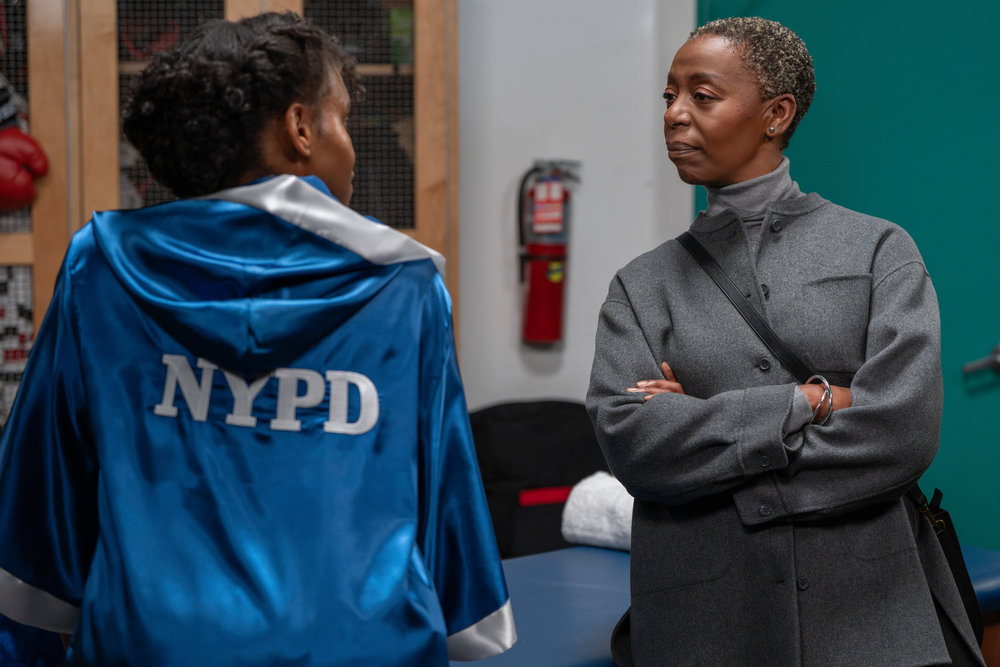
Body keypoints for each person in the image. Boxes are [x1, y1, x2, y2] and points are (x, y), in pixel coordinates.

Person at [0, 12, 515, 665]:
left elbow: (45, 486)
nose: (351, 146)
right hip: (361, 647)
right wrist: (467, 629)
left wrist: (31, 640)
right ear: (302, 129)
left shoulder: (98, 267)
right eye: (343, 118)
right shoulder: (403, 287)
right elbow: (444, 487)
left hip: (155, 646)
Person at [587, 16, 983, 667]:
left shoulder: (880, 250)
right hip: (704, 628)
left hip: (871, 623)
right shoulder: (641, 283)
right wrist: (810, 400)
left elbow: (902, 428)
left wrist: (708, 441)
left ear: (775, 114)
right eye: (668, 97)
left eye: (702, 96)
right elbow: (635, 443)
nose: (675, 115)